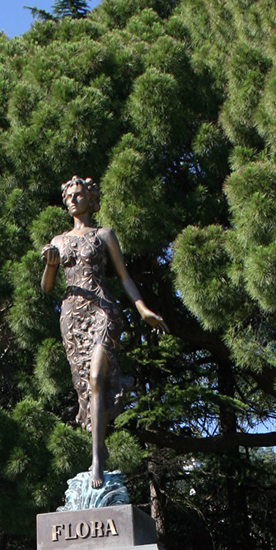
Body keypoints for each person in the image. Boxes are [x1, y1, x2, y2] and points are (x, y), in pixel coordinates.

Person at [41, 175, 168, 488]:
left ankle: (97, 460)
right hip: (72, 317)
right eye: (69, 196)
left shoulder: (104, 234)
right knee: (85, 386)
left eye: (79, 194)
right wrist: (51, 264)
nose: (73, 200)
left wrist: (143, 309)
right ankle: (98, 446)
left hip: (103, 311)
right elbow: (47, 287)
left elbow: (124, 277)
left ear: (91, 198)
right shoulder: (58, 241)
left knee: (97, 377)